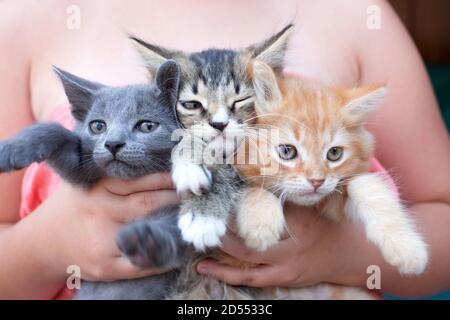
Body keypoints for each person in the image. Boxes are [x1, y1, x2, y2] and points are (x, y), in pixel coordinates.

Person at [0, 0, 449, 299]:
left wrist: (340, 251)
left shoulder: (351, 13)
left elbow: (441, 209)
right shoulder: (26, 16)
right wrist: (49, 246)